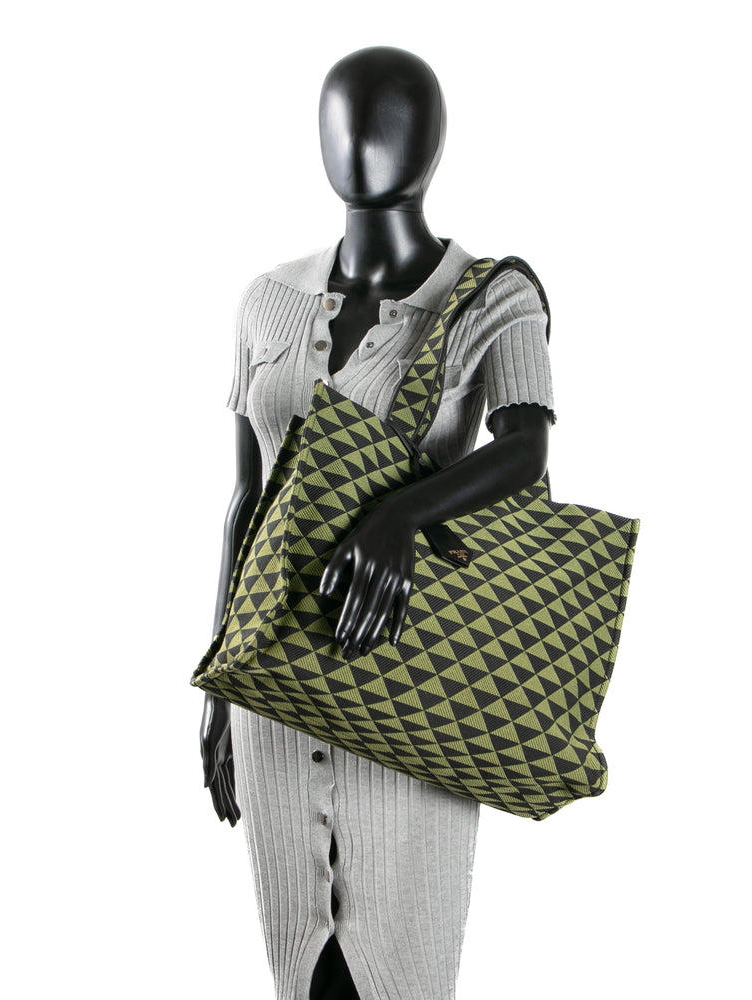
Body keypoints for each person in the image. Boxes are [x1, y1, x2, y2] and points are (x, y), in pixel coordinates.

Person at [200, 45, 556, 1000]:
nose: (362, 141)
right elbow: (245, 499)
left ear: (430, 142)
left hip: (412, 689)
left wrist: (403, 512)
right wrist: (215, 684)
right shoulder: (266, 303)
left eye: (388, 119)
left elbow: (525, 451)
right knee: (302, 974)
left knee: (402, 970)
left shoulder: (492, 298)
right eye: (343, 119)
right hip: (271, 695)